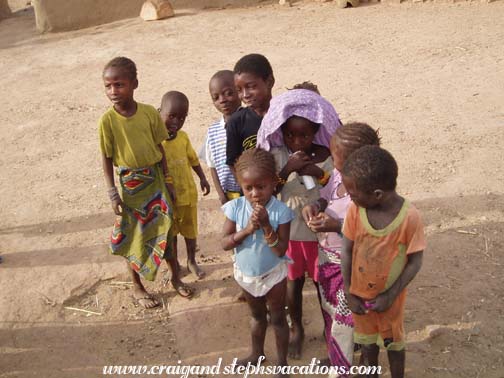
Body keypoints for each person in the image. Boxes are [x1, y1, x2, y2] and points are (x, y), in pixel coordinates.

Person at [257, 88, 341, 359]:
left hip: (320, 236)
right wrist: (287, 169)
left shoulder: (328, 156)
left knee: (322, 286)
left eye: (303, 135)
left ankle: (332, 333)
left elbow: (336, 189)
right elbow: (270, 189)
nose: (296, 140)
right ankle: (297, 330)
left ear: (316, 130)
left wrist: (318, 173)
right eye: (290, 135)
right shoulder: (280, 156)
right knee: (293, 284)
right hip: (290, 234)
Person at [99, 57, 190, 308]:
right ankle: (137, 286)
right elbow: (106, 159)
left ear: (134, 84)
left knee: (167, 228)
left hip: (156, 179)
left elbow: (159, 149)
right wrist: (112, 193)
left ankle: (176, 277)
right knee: (134, 234)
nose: (113, 92)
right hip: (130, 185)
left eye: (119, 85)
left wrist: (168, 179)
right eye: (108, 86)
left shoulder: (150, 113)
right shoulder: (107, 121)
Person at [341, 146, 425, 378]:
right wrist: (349, 291)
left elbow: (415, 262)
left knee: (394, 345)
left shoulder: (409, 218)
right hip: (359, 297)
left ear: (377, 194)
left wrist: (390, 295)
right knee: (368, 344)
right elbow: (346, 251)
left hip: (391, 301)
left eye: (353, 194)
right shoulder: (355, 212)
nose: (350, 198)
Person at [302, 123, 381, 371]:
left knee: (357, 320)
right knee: (333, 314)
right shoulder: (338, 175)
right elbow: (326, 196)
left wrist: (336, 226)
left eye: (335, 155)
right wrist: (315, 205)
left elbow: (372, 230)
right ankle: (339, 355)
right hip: (329, 258)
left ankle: (360, 365)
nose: (331, 157)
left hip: (356, 266)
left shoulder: (370, 192)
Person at [221, 148, 294, 376]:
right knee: (257, 317)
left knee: (278, 318)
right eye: (248, 188)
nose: (254, 193)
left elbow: (280, 249)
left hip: (273, 273)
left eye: (261, 187)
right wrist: (247, 230)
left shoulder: (281, 212)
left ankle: (282, 364)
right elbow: (225, 243)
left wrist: (265, 226)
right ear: (240, 185)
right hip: (247, 274)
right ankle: (257, 354)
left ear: (273, 183)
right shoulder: (235, 208)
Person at [160, 91, 210, 282]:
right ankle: (175, 266)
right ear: (160, 112)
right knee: (171, 233)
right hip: (168, 199)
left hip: (187, 195)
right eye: (172, 116)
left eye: (182, 117)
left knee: (190, 231)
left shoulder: (183, 137)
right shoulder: (156, 141)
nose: (176, 122)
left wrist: (203, 178)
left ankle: (191, 260)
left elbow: (193, 159)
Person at [226, 53, 275, 168]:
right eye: (239, 90)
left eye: (251, 87)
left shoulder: (283, 115)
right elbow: (233, 163)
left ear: (269, 82)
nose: (245, 95)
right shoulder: (236, 122)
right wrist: (247, 185)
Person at [205, 70, 243, 204]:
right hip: (230, 197)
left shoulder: (250, 123)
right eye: (216, 97)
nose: (222, 100)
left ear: (240, 91)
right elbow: (212, 166)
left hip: (254, 193)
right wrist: (221, 194)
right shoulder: (213, 131)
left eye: (228, 93)